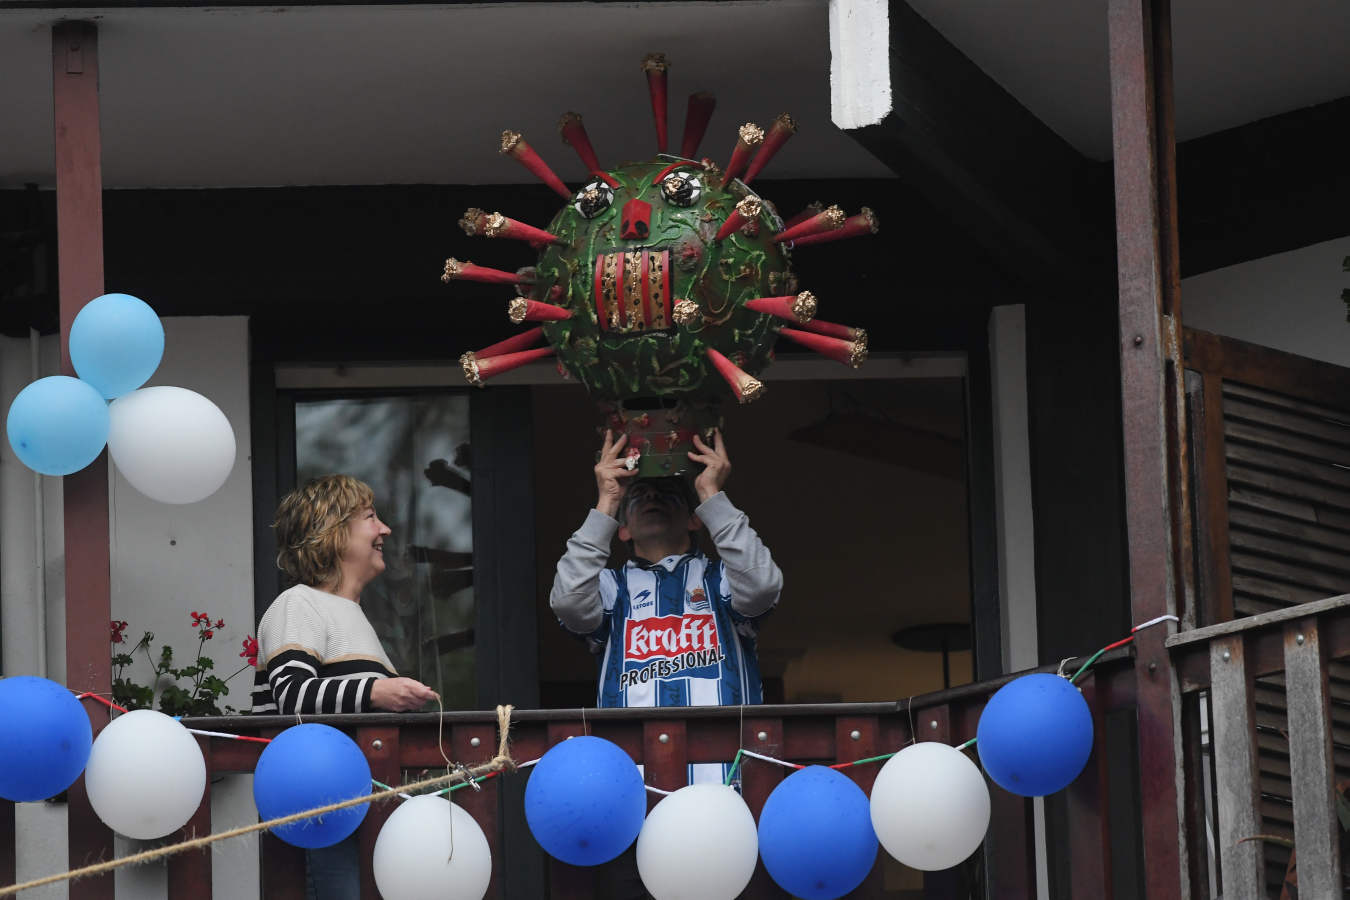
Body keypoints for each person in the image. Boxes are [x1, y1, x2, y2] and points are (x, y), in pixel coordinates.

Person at [252, 474, 438, 900]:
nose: (385, 530)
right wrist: (377, 692)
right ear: (333, 534)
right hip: (324, 814)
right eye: (371, 518)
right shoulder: (298, 602)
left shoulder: (348, 614)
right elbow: (292, 696)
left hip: (353, 812)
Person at [550, 428, 781, 743]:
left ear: (694, 518)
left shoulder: (722, 579)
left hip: (725, 777)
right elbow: (569, 602)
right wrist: (607, 501)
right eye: (639, 495)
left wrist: (711, 493)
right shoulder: (610, 587)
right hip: (635, 780)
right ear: (623, 530)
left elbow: (761, 585)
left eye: (667, 491)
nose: (652, 498)